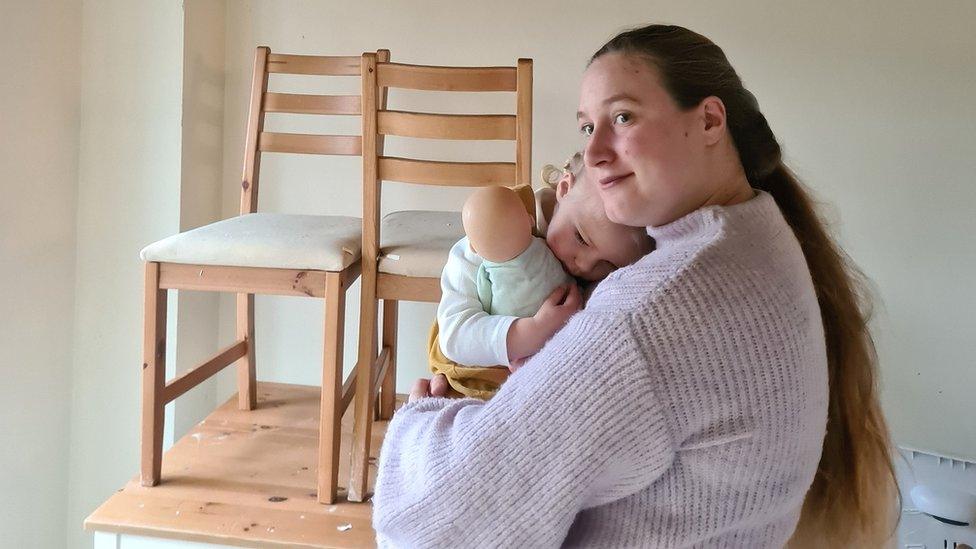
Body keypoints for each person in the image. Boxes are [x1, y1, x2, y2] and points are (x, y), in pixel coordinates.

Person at [374, 24, 897, 548]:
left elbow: (435, 524)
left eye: (623, 117)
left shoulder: (654, 313)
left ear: (711, 120)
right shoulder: (760, 235)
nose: (596, 151)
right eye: (586, 128)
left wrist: (423, 419)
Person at [429, 157, 654, 399]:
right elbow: (454, 337)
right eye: (580, 238)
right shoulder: (491, 239)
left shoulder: (605, 287)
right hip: (468, 389)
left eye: (608, 264)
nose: (584, 265)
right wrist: (532, 331)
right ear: (564, 189)